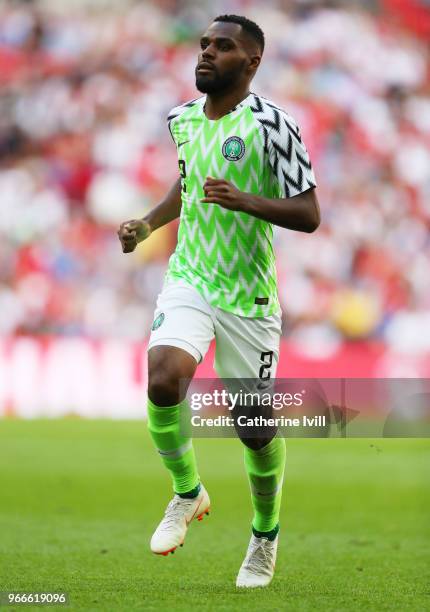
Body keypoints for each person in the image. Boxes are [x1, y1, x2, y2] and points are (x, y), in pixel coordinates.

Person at [118, 14, 320, 588]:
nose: (206, 53)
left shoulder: (275, 126)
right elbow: (186, 186)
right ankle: (186, 492)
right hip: (191, 277)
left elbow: (309, 214)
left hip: (249, 297)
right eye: (204, 44)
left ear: (251, 62)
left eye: (222, 47)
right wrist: (148, 224)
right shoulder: (181, 119)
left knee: (253, 427)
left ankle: (265, 534)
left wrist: (245, 201)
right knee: (163, 376)